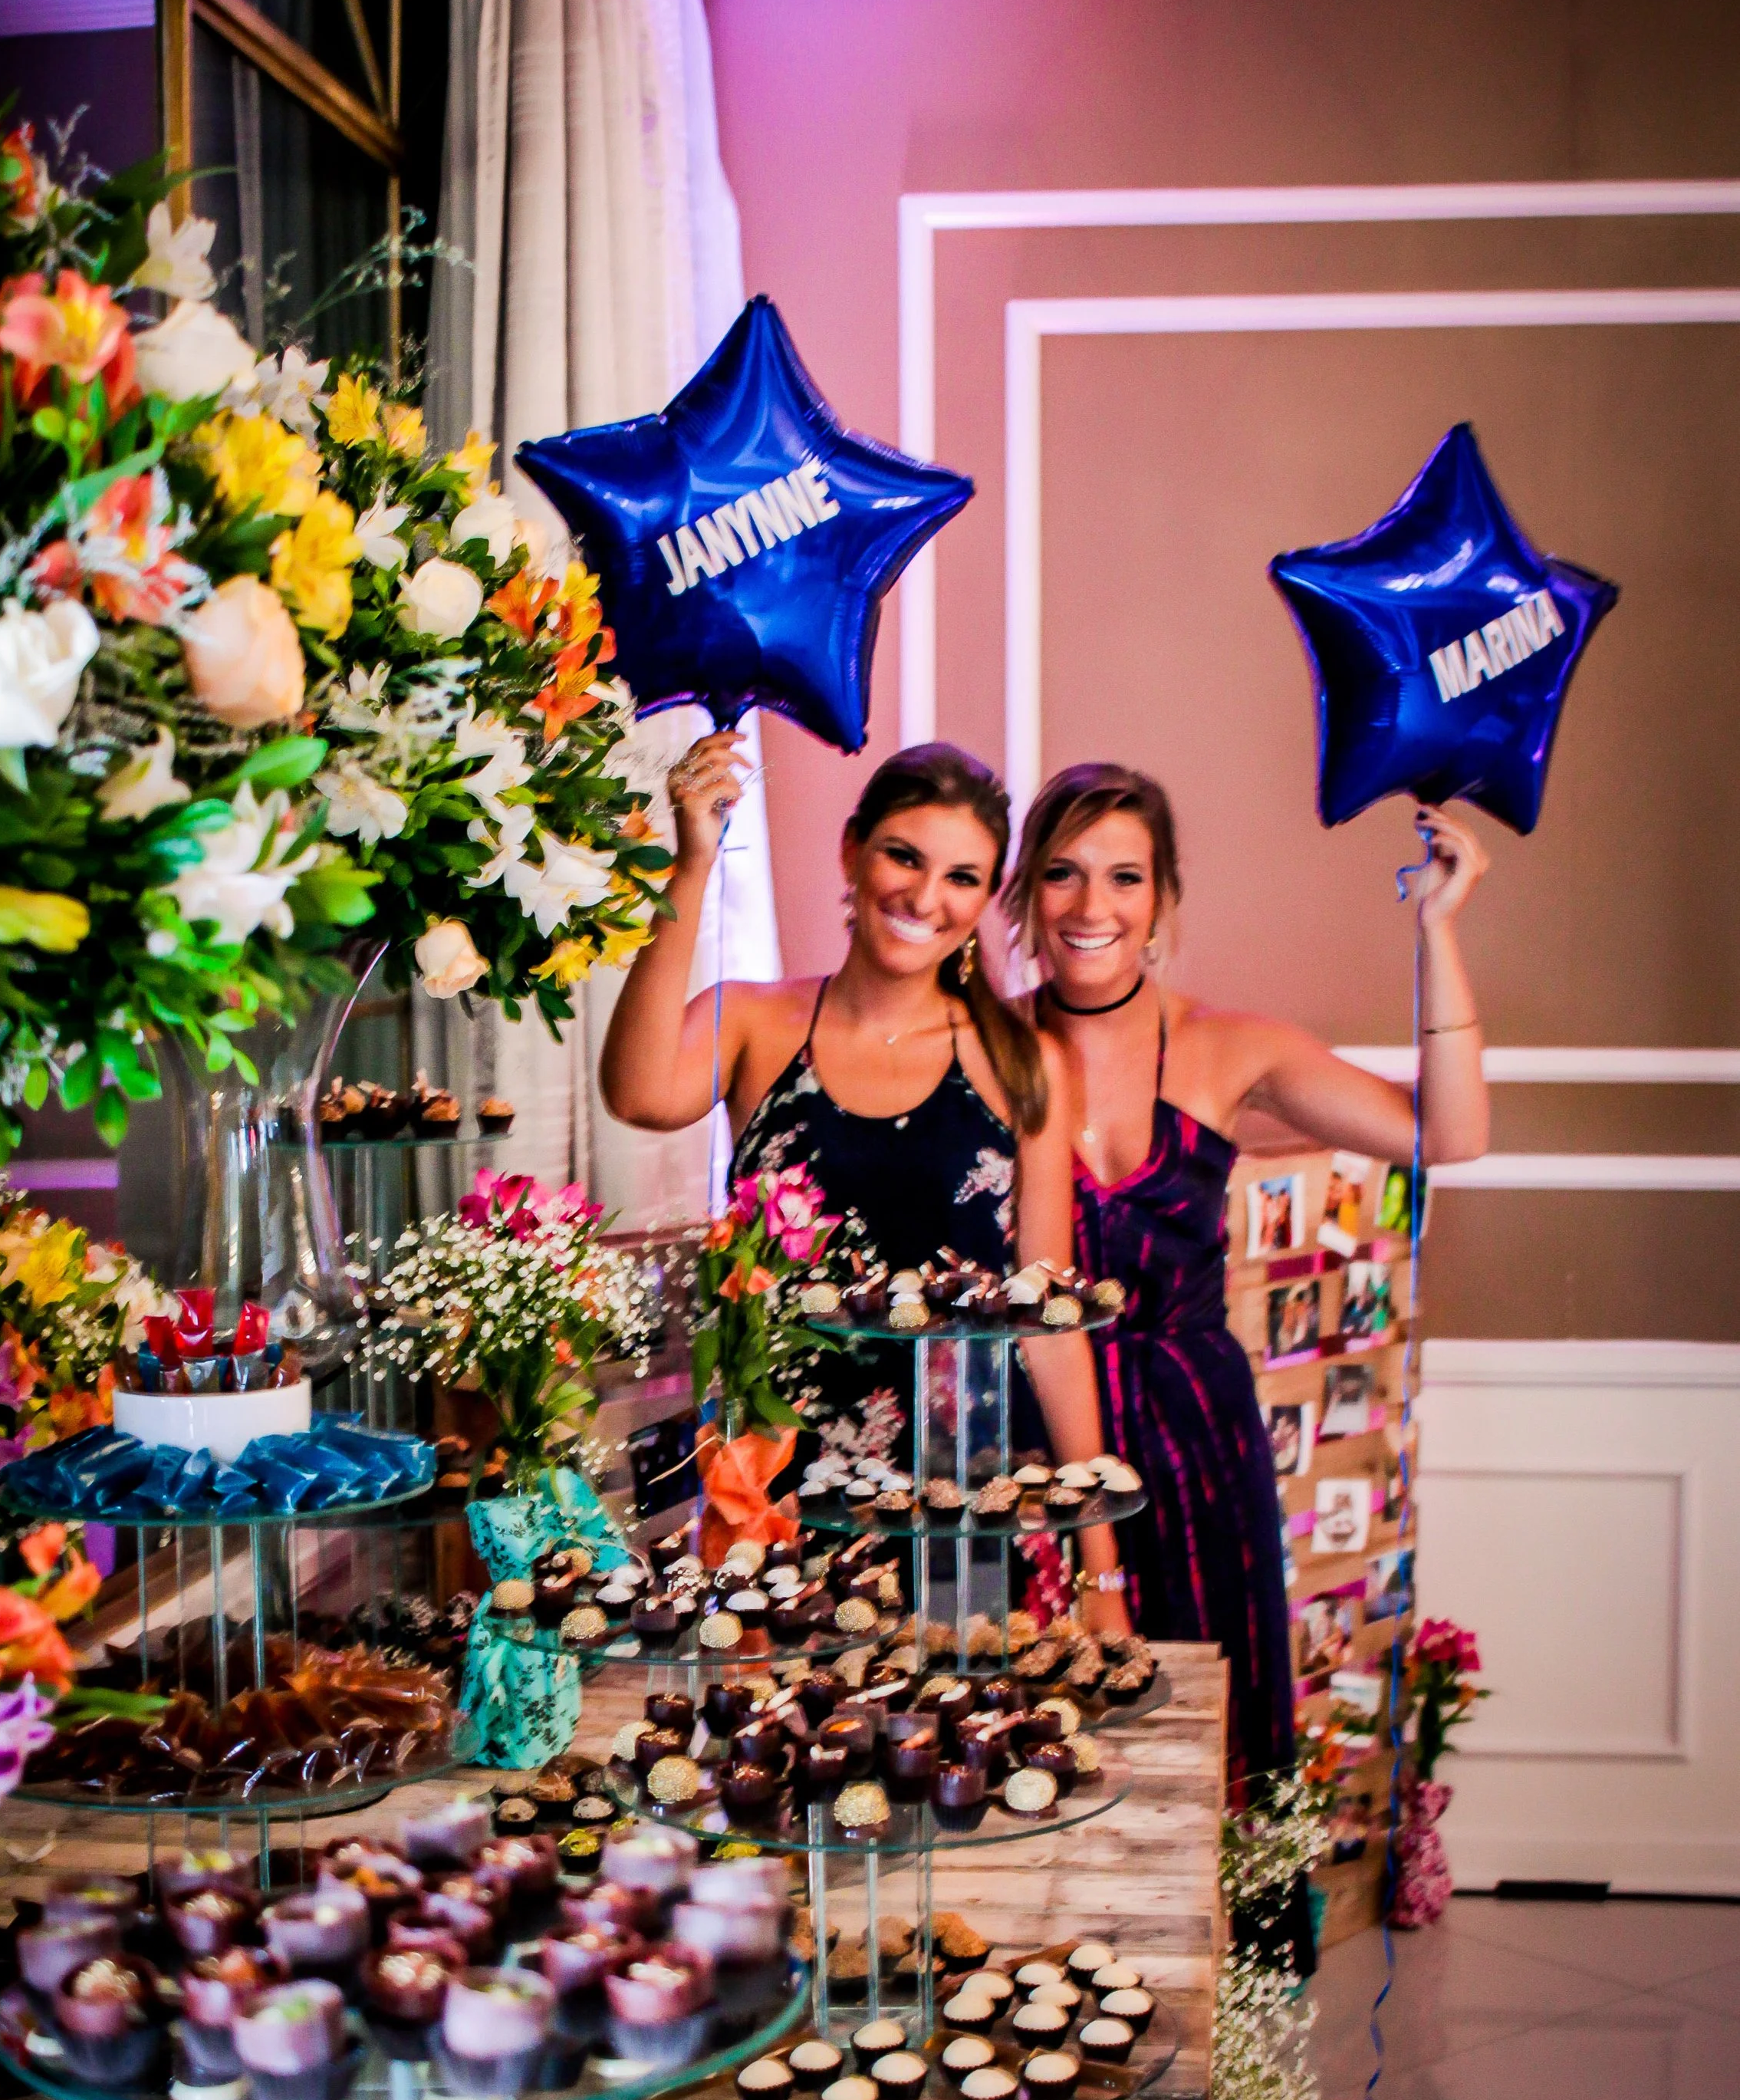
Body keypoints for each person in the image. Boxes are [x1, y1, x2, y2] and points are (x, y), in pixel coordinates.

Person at [1003, 761, 1490, 1795]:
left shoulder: (1233, 1046)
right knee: (1037, 1749)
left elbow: (1450, 1132)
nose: (1094, 906)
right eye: (1063, 873)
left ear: (1164, 899)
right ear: (1023, 895)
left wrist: (1437, 928)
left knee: (1204, 1741)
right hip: (1029, 1441)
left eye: (1126, 877)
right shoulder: (985, 1047)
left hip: (1197, 1441)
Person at [600, 736, 1118, 1578]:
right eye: (903, 857)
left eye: (962, 878)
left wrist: (1101, 1567)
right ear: (852, 850)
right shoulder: (758, 1025)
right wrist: (691, 864)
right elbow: (635, 1092)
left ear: (986, 897)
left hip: (969, 1498)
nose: (925, 896)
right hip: (779, 1492)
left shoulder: (1021, 1062)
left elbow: (1051, 1328)